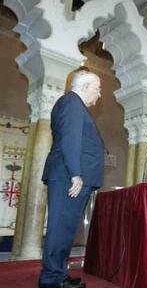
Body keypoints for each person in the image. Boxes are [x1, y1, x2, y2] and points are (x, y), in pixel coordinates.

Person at [39, 70, 104, 288]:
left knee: (64, 229)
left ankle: (57, 273)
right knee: (60, 228)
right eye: (98, 88)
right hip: (69, 176)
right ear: (85, 86)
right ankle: (51, 280)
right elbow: (70, 139)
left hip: (70, 176)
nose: (99, 94)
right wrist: (76, 173)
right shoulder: (71, 103)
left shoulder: (74, 105)